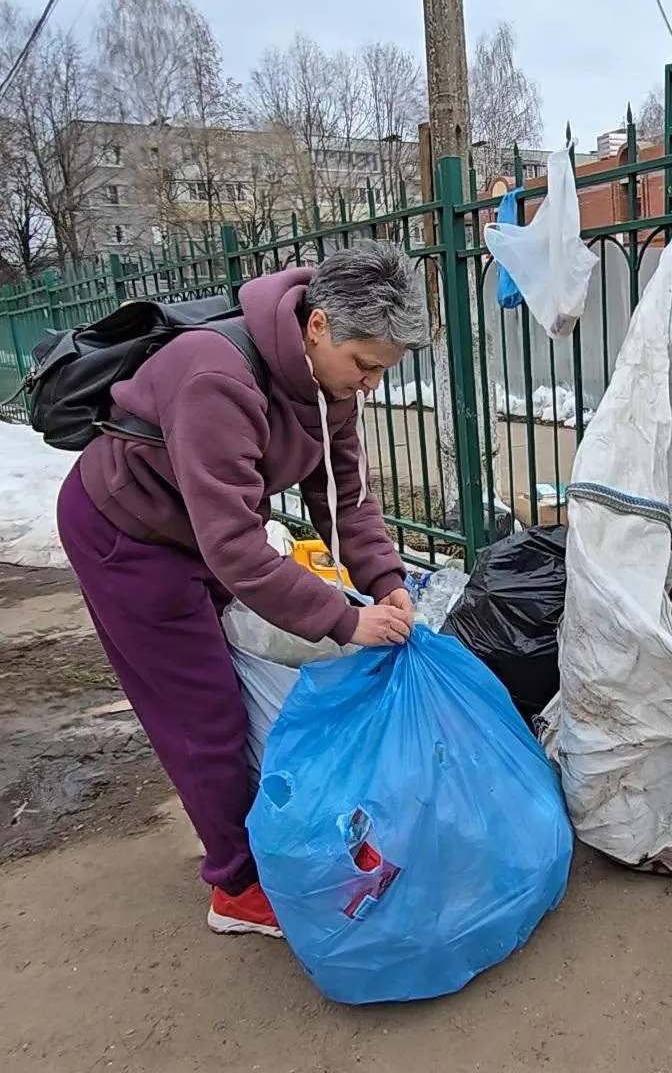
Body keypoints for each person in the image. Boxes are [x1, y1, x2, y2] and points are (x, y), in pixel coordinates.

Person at [57, 240, 426, 934]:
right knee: (202, 710)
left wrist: (386, 582)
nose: (372, 384)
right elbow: (233, 546)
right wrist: (344, 622)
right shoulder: (215, 376)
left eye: (383, 370)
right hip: (127, 536)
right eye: (366, 365)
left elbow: (346, 497)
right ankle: (234, 886)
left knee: (228, 685)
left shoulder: (329, 383)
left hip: (196, 528)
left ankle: (257, 832)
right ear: (318, 327)